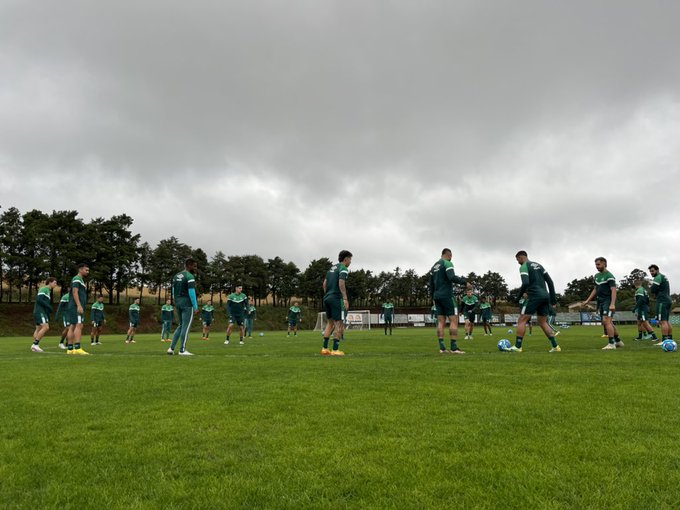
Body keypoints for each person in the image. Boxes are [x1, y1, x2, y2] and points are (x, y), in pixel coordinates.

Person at [505, 251, 560, 352]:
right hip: (545, 296)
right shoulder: (539, 265)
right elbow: (550, 281)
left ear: (521, 257)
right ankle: (555, 346)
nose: (518, 262)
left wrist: (518, 297)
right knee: (542, 322)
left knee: (522, 320)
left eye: (517, 260)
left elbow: (525, 283)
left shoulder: (524, 266)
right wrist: (553, 299)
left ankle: (517, 346)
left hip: (534, 296)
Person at [429, 248, 469, 355]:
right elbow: (452, 277)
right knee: (454, 320)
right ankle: (454, 347)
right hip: (447, 296)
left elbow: (431, 285)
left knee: (441, 322)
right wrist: (465, 283)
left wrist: (432, 297)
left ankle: (442, 348)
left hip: (436, 297)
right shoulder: (447, 263)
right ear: (449, 255)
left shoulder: (434, 267)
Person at [582, 257, 623, 350]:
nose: (597, 266)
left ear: (604, 263)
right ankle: (618, 341)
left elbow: (614, 290)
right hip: (601, 301)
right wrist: (588, 300)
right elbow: (595, 289)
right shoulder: (597, 276)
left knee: (606, 321)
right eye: (596, 265)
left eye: (598, 264)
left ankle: (612, 344)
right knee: (608, 322)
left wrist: (612, 304)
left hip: (608, 301)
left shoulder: (609, 276)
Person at [321, 250, 352, 356]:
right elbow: (341, 283)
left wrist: (328, 294)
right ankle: (335, 350)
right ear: (346, 259)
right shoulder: (343, 268)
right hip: (336, 298)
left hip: (327, 297)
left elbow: (324, 284)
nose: (350, 262)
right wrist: (345, 298)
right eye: (350, 259)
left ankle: (325, 348)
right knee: (339, 323)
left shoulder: (331, 268)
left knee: (330, 323)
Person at [168, 258, 199, 356]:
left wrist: (175, 301)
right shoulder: (190, 276)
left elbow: (173, 290)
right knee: (186, 327)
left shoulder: (176, 276)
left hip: (178, 302)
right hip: (187, 304)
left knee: (181, 325)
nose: (195, 268)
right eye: (194, 266)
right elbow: (191, 292)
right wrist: (195, 306)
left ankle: (171, 348)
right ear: (189, 265)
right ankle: (182, 350)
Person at [66, 263, 91, 355]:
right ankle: (77, 347)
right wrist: (79, 305)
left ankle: (70, 349)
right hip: (76, 306)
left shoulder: (80, 280)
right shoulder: (77, 279)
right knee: (79, 325)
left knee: (72, 326)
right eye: (86, 270)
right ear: (80, 270)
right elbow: (75, 292)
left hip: (74, 306)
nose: (87, 272)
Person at [31, 277, 58, 353]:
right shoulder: (44, 289)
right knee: (46, 327)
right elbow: (39, 299)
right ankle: (35, 344)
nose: (56, 285)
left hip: (40, 311)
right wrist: (49, 306)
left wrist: (48, 310)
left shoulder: (48, 291)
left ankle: (34, 346)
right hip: (40, 311)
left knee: (38, 329)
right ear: (49, 282)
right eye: (54, 283)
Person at [649, 264, 673, 346]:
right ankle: (670, 339)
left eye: (652, 271)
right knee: (666, 321)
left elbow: (653, 289)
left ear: (657, 270)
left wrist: (654, 290)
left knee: (662, 321)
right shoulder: (664, 276)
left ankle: (664, 340)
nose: (651, 273)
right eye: (650, 272)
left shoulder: (658, 277)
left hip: (662, 301)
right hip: (668, 300)